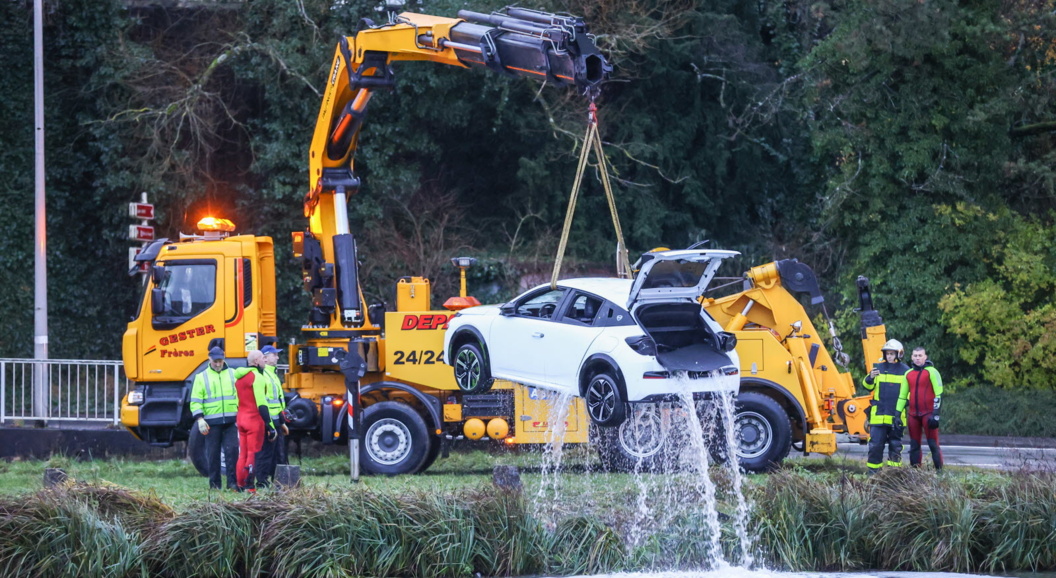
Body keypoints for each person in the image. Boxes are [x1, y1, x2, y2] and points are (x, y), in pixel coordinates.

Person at [189, 346, 239, 490]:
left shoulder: (233, 374)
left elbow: (240, 396)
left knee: (232, 451)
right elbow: (196, 400)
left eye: (220, 361)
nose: (218, 364)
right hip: (211, 422)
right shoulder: (201, 377)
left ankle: (232, 483)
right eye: (215, 361)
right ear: (209, 359)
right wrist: (199, 418)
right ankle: (215, 485)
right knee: (213, 454)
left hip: (231, 421)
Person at [863, 339, 910, 474]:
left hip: (896, 417)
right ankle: (873, 475)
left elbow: (910, 394)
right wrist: (870, 377)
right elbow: (867, 386)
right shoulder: (878, 368)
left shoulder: (906, 371)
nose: (889, 356)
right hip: (878, 417)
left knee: (895, 447)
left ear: (899, 354)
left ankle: (893, 475)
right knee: (875, 446)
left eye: (892, 353)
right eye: (887, 353)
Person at [233, 350, 275, 491]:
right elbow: (261, 404)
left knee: (242, 453)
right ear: (256, 361)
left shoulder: (239, 377)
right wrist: (270, 425)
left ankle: (240, 484)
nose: (265, 360)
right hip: (253, 420)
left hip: (241, 418)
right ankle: (250, 486)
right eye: (263, 358)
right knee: (253, 453)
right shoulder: (257, 377)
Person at [254, 344, 288, 487]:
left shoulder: (272, 374)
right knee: (265, 453)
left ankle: (277, 480)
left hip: (275, 420)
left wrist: (281, 421)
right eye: (274, 355)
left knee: (276, 453)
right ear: (266, 358)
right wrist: (269, 422)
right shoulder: (264, 375)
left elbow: (278, 401)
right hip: (267, 421)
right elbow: (263, 401)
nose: (278, 357)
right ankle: (262, 481)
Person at [906, 346, 944, 471]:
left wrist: (936, 414)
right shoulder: (908, 374)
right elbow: (902, 397)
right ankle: (915, 474)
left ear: (925, 357)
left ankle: (940, 473)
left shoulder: (932, 371)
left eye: (920, 356)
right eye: (915, 356)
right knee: (914, 445)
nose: (917, 358)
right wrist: (897, 413)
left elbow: (939, 393)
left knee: (933, 444)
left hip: (928, 413)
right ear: (912, 357)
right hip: (913, 415)